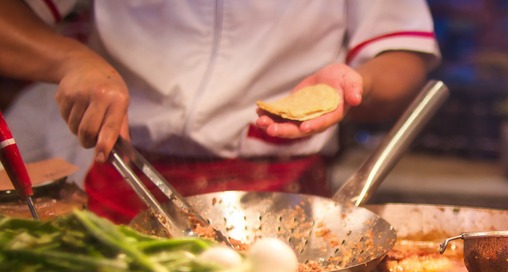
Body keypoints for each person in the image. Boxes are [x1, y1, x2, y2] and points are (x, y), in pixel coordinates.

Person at [0, 1, 441, 223]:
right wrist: (69, 59)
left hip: (281, 207)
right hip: (127, 181)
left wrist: (355, 84)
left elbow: (401, 54)